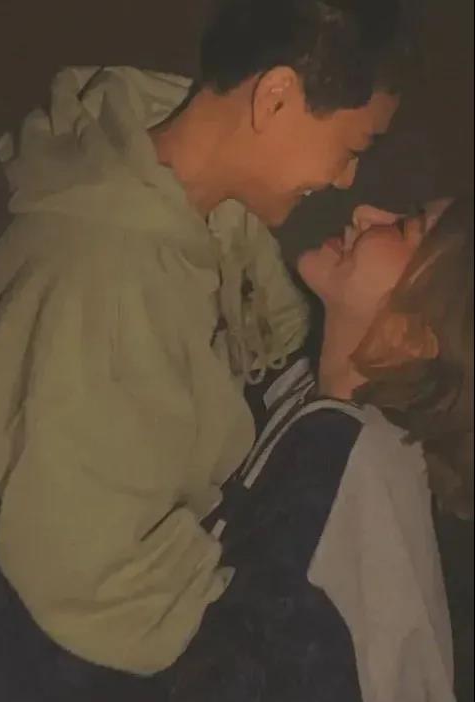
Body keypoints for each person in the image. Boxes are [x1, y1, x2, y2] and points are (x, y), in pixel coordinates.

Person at [0, 1, 415, 699]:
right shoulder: (103, 278)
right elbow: (95, 594)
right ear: (276, 97)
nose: (345, 180)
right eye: (353, 147)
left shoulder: (211, 222)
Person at [170, 196, 473, 702]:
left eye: (405, 228)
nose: (365, 212)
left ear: (414, 335)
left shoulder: (338, 474)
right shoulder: (315, 403)